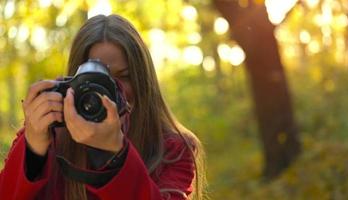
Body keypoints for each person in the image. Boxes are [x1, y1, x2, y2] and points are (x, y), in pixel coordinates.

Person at [0, 14, 206, 200]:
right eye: (98, 79)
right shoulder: (49, 138)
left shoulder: (174, 150)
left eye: (124, 77)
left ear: (143, 82)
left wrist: (114, 155)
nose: (110, 91)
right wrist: (34, 153)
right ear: (73, 82)